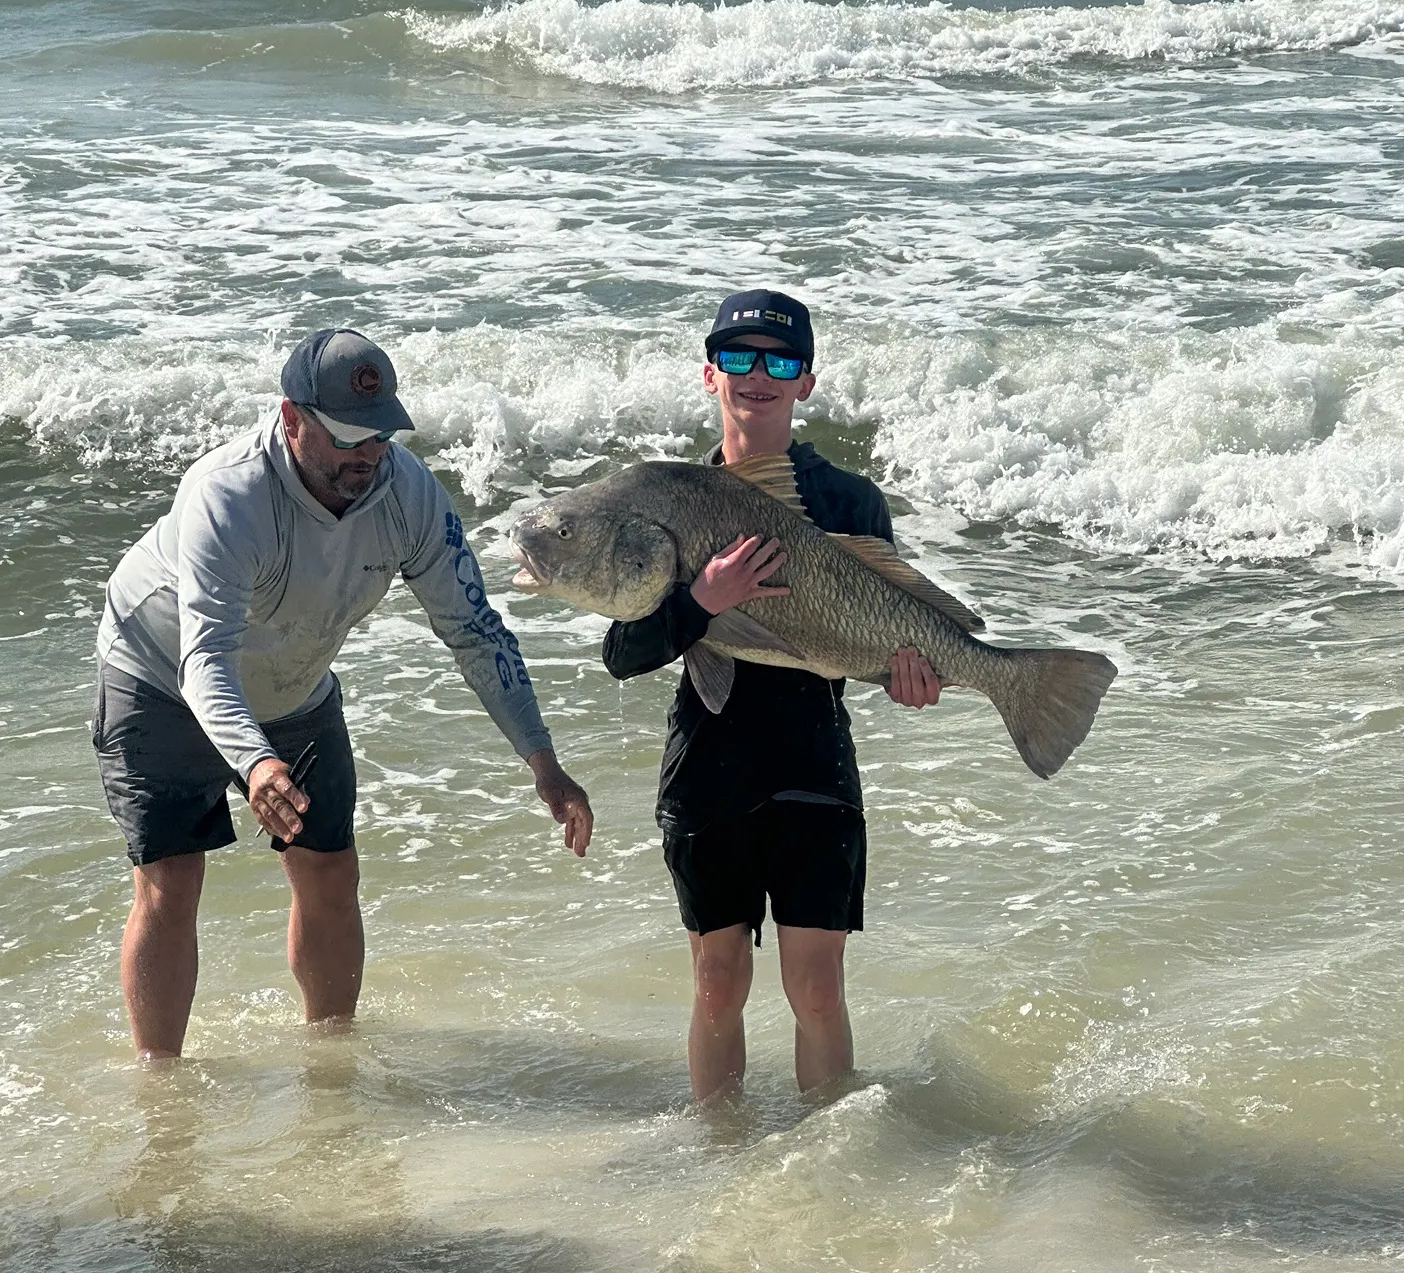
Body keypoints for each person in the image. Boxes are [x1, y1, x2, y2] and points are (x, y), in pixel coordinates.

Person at [94, 327, 593, 1059]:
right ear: (293, 419)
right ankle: (161, 1086)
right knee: (172, 882)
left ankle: (332, 1063)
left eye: (381, 436)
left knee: (329, 868)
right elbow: (204, 661)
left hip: (295, 685)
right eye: (349, 437)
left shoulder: (408, 494)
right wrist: (257, 764)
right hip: (159, 679)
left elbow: (476, 632)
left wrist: (542, 761)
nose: (367, 456)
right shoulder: (228, 495)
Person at [602, 290, 940, 1101]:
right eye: (741, 358)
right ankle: (723, 1165)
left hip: (812, 756)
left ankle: (829, 1171)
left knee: (817, 987)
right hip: (708, 759)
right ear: (709, 375)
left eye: (781, 361)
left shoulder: (849, 503)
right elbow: (623, 652)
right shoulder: (667, 499)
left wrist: (909, 680)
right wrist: (701, 601)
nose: (760, 375)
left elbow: (882, 639)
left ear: (807, 383)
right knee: (718, 983)